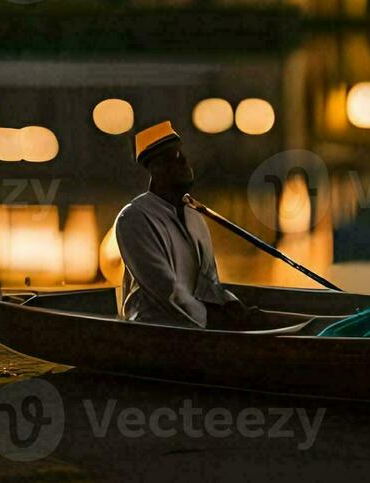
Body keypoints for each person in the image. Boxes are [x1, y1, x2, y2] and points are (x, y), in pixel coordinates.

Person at [113, 120, 277, 330]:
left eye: (183, 155)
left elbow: (208, 281)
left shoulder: (194, 215)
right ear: (156, 168)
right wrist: (214, 320)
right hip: (152, 326)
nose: (185, 161)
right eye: (176, 157)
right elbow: (167, 290)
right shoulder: (134, 218)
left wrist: (232, 305)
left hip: (197, 324)